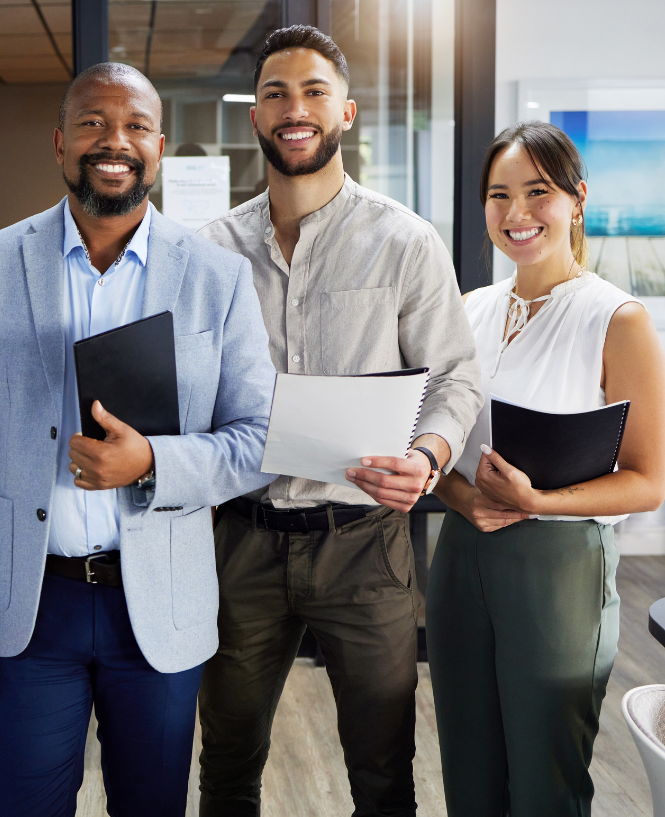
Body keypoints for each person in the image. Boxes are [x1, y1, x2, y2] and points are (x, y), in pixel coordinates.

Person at [0, 62, 276, 817]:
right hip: (30, 605)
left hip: (157, 603)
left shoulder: (217, 277)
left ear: (158, 147)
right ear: (59, 143)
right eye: (92, 123)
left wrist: (152, 460)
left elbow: (258, 440)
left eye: (135, 127)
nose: (113, 141)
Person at [195, 26, 483, 816]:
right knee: (226, 764)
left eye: (314, 91)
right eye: (277, 94)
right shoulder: (209, 250)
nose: (296, 109)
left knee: (384, 771)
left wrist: (426, 455)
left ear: (346, 112)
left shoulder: (404, 241)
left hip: (364, 546)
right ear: (254, 116)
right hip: (240, 540)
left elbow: (456, 374)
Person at [426, 121, 665, 815]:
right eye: (499, 195)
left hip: (560, 565)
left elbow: (649, 478)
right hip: (461, 553)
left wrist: (537, 500)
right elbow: (436, 441)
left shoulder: (615, 318)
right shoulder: (469, 310)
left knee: (544, 783)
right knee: (468, 771)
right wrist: (461, 495)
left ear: (577, 198)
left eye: (538, 191)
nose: (516, 212)